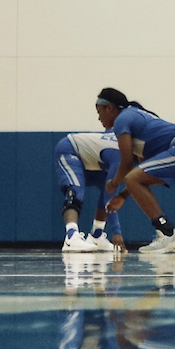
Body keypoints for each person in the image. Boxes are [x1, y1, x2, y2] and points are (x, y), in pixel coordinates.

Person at [99, 89, 175, 254]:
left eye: (99, 112)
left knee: (133, 178)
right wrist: (122, 195)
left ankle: (167, 233)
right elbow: (142, 177)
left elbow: (126, 166)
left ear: (109, 108)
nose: (99, 118)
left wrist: (112, 184)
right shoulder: (139, 119)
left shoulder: (122, 119)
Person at [57, 96, 127, 252]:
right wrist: (117, 232)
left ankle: (96, 235)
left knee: (105, 186)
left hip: (91, 159)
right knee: (75, 192)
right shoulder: (119, 152)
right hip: (69, 150)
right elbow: (112, 194)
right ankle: (71, 236)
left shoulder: (120, 137)